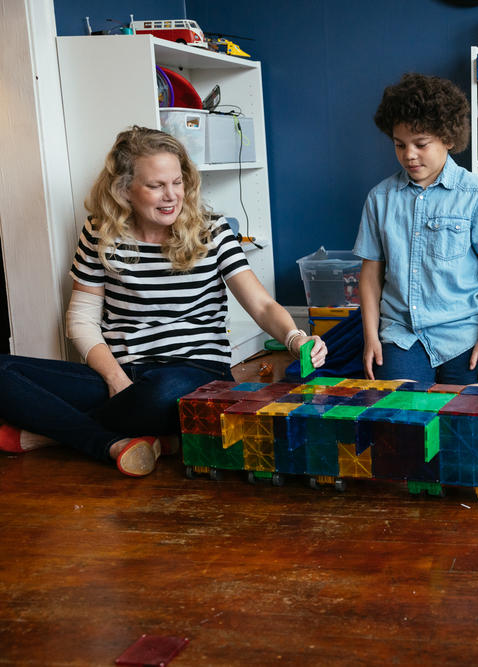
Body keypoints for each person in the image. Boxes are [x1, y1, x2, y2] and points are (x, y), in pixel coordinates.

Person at [0, 126, 326, 477]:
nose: (171, 196)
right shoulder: (99, 232)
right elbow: (80, 319)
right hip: (123, 374)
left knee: (164, 391)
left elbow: (261, 305)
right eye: (156, 186)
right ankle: (133, 442)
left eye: (177, 182)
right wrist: (114, 379)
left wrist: (295, 339)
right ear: (124, 189)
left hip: (195, 373)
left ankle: (55, 435)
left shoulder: (212, 231)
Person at [354, 73, 478, 385]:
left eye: (421, 144)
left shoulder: (476, 193)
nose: (409, 154)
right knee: (400, 418)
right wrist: (371, 338)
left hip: (463, 333)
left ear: (448, 139)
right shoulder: (379, 198)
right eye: (400, 145)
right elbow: (370, 276)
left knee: (472, 420)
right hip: (401, 335)